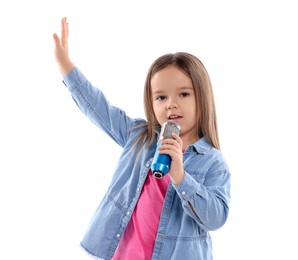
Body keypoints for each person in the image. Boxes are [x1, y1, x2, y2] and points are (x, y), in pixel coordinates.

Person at [53, 17, 231, 260]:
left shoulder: (212, 162)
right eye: (161, 97)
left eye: (184, 93)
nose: (172, 104)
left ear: (202, 97)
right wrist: (66, 66)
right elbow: (98, 108)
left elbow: (216, 217)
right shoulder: (140, 137)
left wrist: (180, 176)